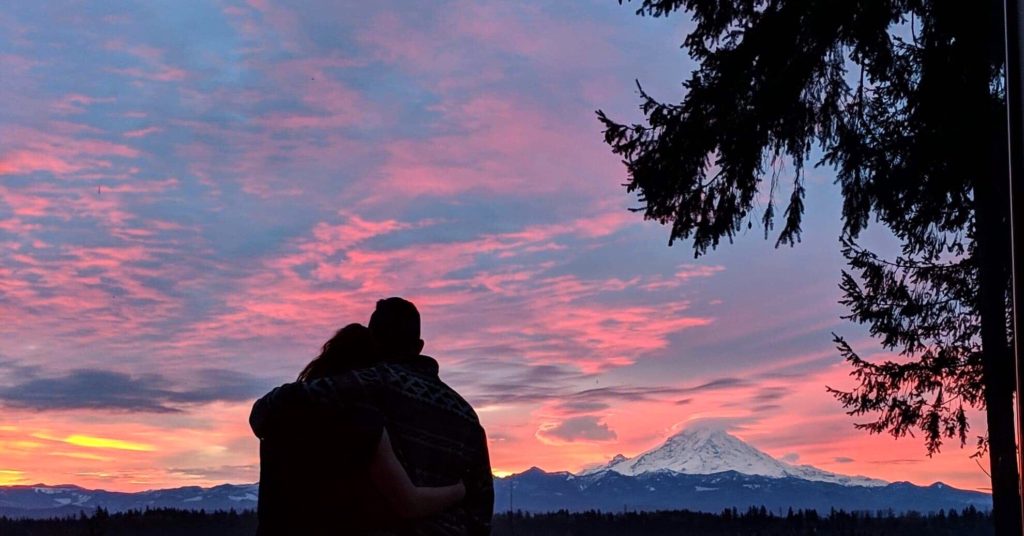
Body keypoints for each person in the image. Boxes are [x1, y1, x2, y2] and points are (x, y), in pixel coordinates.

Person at [251, 297, 494, 535]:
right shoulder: (466, 415)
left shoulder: (366, 387)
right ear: (419, 346)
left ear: (372, 339)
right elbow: (481, 510)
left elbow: (265, 411)